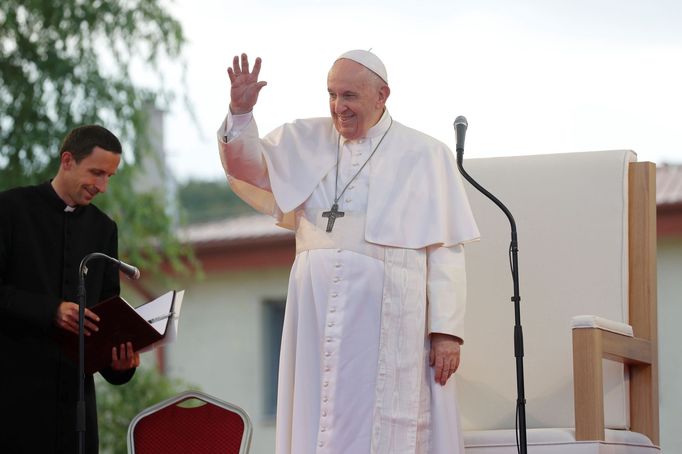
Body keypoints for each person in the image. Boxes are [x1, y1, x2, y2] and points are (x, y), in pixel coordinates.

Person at [218, 51, 479, 454]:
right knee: (317, 416)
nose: (339, 107)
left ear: (382, 95)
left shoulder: (426, 153)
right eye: (332, 94)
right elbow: (247, 167)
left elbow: (446, 249)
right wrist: (240, 112)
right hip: (315, 314)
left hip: (388, 318)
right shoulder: (305, 138)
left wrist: (446, 332)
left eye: (350, 96)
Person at [0, 125, 141, 453]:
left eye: (109, 176)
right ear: (67, 160)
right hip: (13, 398)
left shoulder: (104, 229)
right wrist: (52, 310)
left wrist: (118, 366)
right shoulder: (10, 210)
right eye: (96, 173)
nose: (102, 186)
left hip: (75, 405)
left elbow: (105, 316)